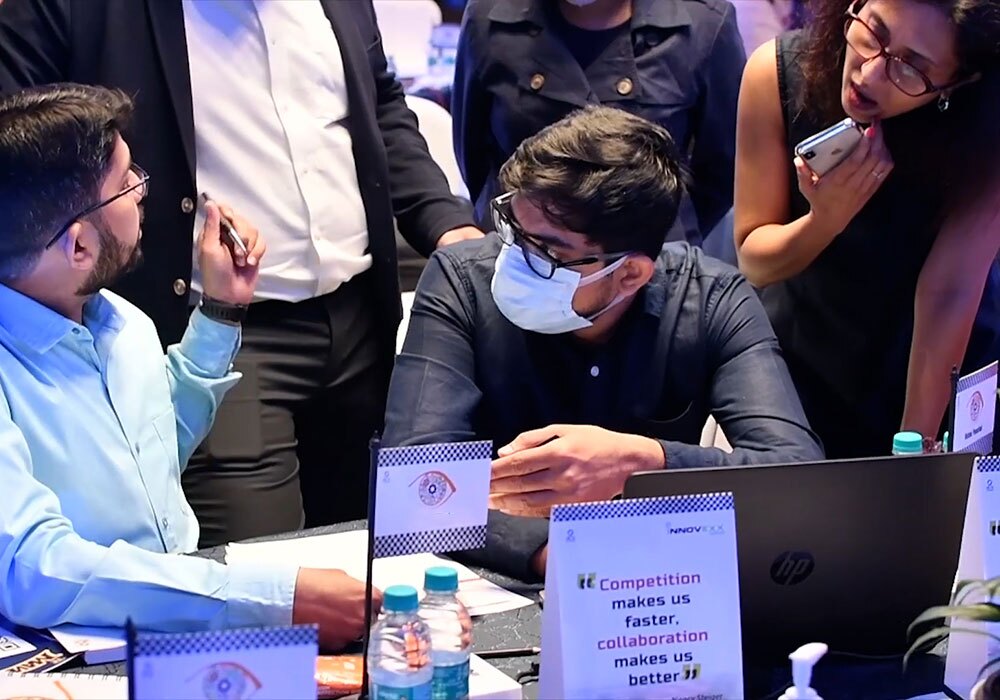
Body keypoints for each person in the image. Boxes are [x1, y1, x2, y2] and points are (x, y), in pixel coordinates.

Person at [0, 0, 483, 547]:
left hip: (361, 314)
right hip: (223, 327)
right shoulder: (76, 12)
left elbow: (381, 104)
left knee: (383, 552)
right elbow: (20, 157)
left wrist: (445, 222)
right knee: (259, 562)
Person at [0, 84, 379, 648]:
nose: (141, 190)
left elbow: (151, 453)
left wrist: (221, 312)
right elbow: (32, 567)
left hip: (178, 613)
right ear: (77, 247)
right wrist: (261, 598)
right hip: (64, 654)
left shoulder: (118, 320)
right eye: (125, 184)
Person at [383, 106, 824, 580]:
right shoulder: (462, 280)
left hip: (663, 577)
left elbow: (794, 473)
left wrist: (645, 461)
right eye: (512, 228)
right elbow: (411, 486)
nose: (514, 259)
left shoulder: (711, 299)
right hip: (498, 576)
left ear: (630, 274)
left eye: (547, 252)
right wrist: (562, 553)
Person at [734, 0, 1000, 458]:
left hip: (929, 365)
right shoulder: (774, 73)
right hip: (801, 353)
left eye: (912, 67)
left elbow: (949, 292)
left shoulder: (984, 135)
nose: (871, 73)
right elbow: (754, 262)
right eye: (874, 31)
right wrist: (824, 220)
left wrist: (914, 447)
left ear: (957, 82)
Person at [452, 0, 746, 247]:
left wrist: (659, 229)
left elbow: (723, 170)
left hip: (650, 256)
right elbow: (474, 153)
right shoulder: (489, 16)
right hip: (524, 251)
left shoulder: (704, 24)